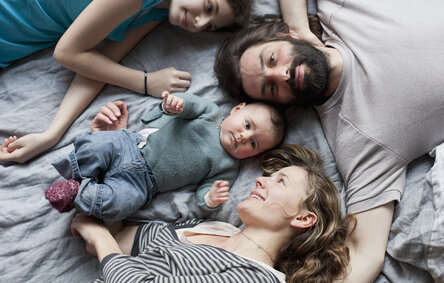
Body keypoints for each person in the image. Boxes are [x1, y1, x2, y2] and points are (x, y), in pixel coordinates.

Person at [213, 0, 444, 283]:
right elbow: (364, 253)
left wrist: (299, 25)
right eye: (271, 88)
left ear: (284, 36)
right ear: (281, 107)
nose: (283, 73)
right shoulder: (358, 142)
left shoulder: (342, 8)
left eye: (272, 58)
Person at [38, 144, 354, 283]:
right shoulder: (210, 225)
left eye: (280, 181)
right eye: (268, 175)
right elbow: (119, 245)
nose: (261, 179)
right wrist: (108, 163)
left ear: (302, 218)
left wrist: (98, 234)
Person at [0, 0, 255, 164]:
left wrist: (51, 134)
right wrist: (145, 82)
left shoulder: (156, 10)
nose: (199, 23)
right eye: (208, 6)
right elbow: (67, 54)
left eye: (209, 26)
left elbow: (99, 65)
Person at [44, 92, 285, 224]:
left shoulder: (228, 167)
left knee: (120, 206)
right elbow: (187, 105)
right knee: (98, 145)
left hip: (143, 184)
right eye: (247, 124)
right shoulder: (210, 113)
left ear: (255, 154)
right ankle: (77, 171)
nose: (244, 136)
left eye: (253, 143)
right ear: (237, 108)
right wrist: (174, 105)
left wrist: (211, 199)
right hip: (132, 145)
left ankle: (76, 193)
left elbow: (204, 195)